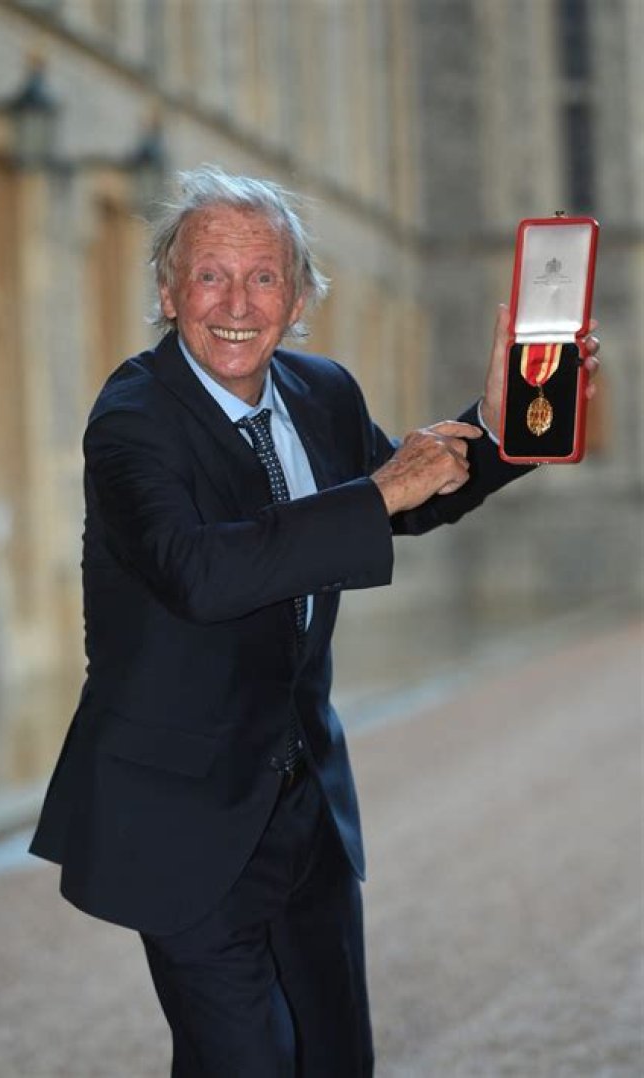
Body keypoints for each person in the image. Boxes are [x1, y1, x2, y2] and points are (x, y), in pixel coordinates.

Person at [30, 165, 600, 1077]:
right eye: (210, 275)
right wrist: (378, 492)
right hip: (179, 812)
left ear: (297, 300)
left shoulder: (320, 391)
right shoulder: (132, 419)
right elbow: (199, 573)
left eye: (264, 277)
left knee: (335, 1060)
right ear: (168, 293)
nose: (236, 303)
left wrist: (504, 424)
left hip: (305, 810)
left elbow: (409, 499)